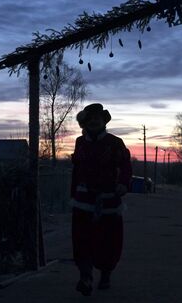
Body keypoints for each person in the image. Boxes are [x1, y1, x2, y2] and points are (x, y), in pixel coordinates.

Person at [70, 103, 132, 296]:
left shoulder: (115, 143)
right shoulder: (80, 142)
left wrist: (123, 183)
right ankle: (85, 277)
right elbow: (77, 169)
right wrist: (72, 192)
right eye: (90, 119)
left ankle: (105, 274)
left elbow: (126, 166)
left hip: (108, 201)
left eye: (98, 118)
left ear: (104, 121)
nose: (94, 121)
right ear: (85, 123)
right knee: (81, 240)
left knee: (109, 241)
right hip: (82, 200)